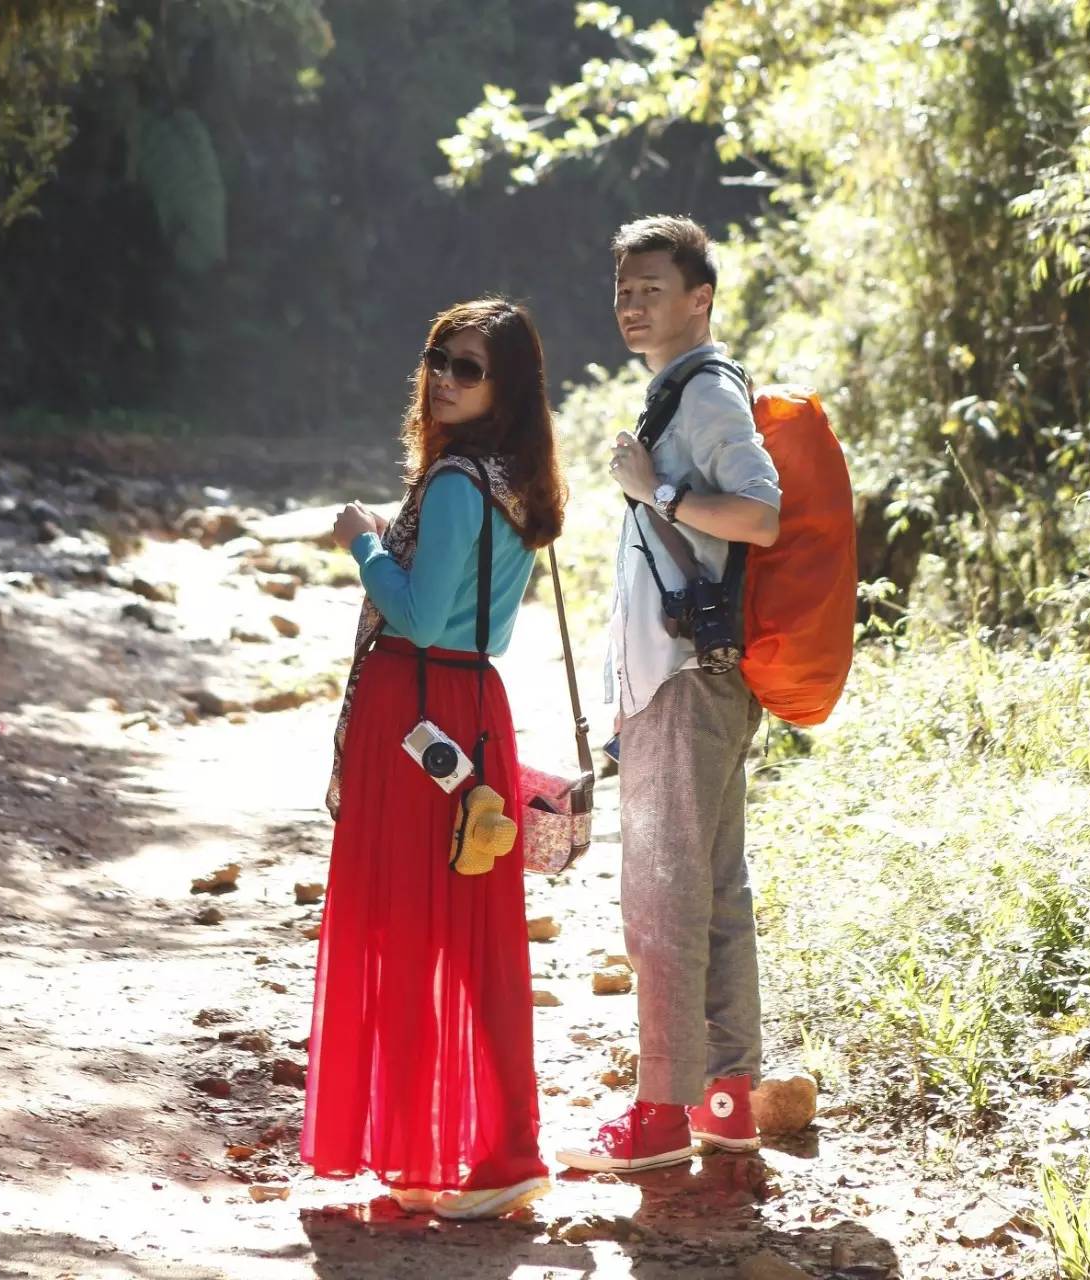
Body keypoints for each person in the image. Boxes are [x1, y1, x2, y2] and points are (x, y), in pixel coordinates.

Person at [302, 298, 564, 1219]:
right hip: (470, 709)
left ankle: (452, 1157)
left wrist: (363, 541)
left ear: (507, 388)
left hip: (416, 710)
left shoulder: (457, 484)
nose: (444, 379)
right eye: (437, 359)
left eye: (467, 368)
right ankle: (481, 1151)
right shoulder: (517, 482)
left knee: (406, 930)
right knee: (465, 932)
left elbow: (414, 612)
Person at [557, 215, 784, 1172]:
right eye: (624, 288)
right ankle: (726, 1102)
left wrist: (659, 492)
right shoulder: (681, 392)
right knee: (714, 893)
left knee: (659, 899)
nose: (632, 302)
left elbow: (761, 513)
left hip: (684, 686)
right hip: (698, 680)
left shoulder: (706, 395)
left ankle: (658, 1115)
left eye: (653, 286)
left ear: (701, 298)